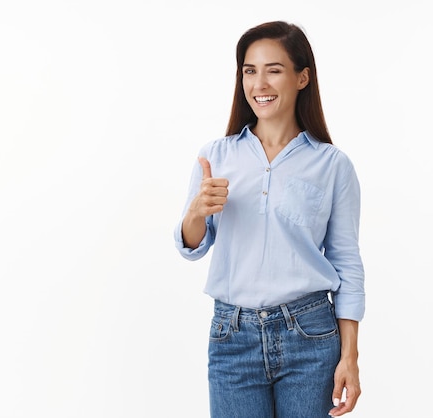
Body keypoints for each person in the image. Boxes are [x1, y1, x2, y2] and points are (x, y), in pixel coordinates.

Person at [174, 21, 364, 418]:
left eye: (274, 69)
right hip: (232, 337)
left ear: (302, 77)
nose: (259, 83)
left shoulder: (332, 165)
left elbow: (347, 262)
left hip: (309, 336)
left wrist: (350, 357)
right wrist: (195, 211)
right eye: (249, 70)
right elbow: (194, 246)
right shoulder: (217, 155)